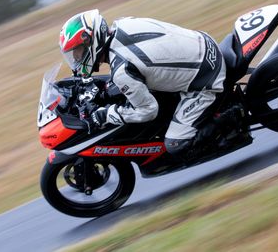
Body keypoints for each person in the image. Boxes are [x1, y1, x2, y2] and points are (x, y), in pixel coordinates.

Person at [59, 9, 244, 158]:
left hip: (205, 80)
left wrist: (107, 114)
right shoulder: (123, 24)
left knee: (175, 144)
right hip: (203, 44)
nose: (77, 58)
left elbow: (148, 111)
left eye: (79, 51)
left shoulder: (122, 71)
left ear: (91, 41)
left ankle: (233, 117)